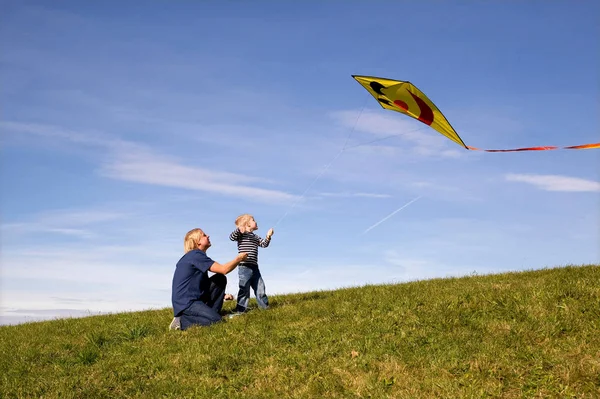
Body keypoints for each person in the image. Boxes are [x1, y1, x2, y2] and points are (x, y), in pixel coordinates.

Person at [170, 228, 247, 331]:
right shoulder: (195, 255)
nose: (208, 236)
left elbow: (204, 285)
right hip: (187, 303)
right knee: (216, 321)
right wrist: (238, 259)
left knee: (220, 279)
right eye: (204, 235)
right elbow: (223, 269)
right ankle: (181, 321)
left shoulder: (195, 256)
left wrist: (223, 295)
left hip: (195, 299)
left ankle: (212, 314)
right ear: (197, 242)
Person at [229, 214, 273, 313]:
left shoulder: (255, 236)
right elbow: (231, 237)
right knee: (244, 289)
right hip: (244, 267)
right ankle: (240, 310)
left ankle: (265, 308)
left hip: (254, 267)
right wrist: (239, 229)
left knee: (260, 288)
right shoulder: (241, 234)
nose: (256, 222)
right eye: (253, 220)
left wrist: (268, 236)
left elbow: (264, 244)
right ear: (247, 224)